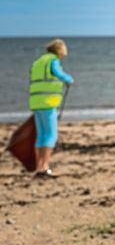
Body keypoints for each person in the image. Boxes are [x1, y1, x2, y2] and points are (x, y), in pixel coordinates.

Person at [29, 38, 74, 177]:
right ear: (60, 51)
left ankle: (39, 167)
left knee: (41, 135)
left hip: (35, 102)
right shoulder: (53, 60)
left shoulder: (38, 62)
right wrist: (69, 79)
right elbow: (58, 73)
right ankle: (45, 167)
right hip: (47, 102)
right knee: (51, 135)